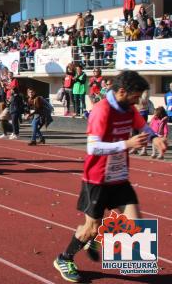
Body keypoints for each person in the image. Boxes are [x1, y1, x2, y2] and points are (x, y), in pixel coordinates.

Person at [53, 71, 167, 283]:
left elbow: (143, 126)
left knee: (135, 225)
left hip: (120, 177)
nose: (138, 101)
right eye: (135, 96)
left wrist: (156, 137)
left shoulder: (128, 108)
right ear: (122, 91)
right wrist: (127, 144)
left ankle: (105, 248)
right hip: (97, 179)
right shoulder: (101, 110)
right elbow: (93, 147)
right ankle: (64, 258)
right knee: (91, 228)